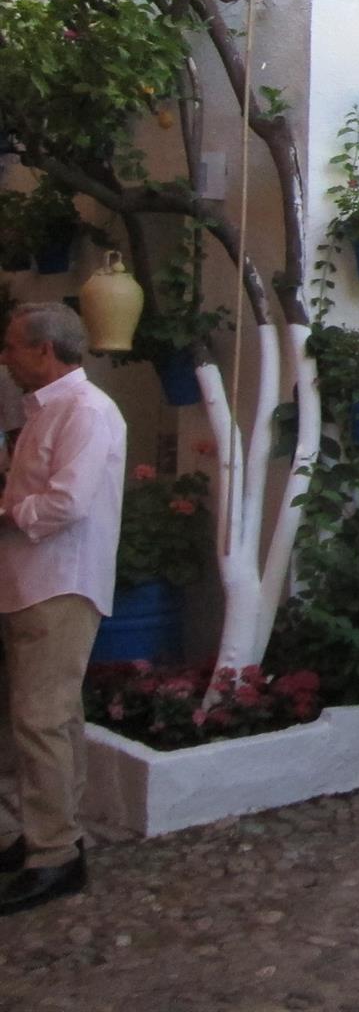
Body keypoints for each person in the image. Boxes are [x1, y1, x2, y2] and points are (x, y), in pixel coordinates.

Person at [0, 302, 125, 915]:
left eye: (13, 347)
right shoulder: (49, 411)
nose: (6, 358)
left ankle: (54, 855)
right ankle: (47, 836)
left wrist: (5, 511)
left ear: (45, 350)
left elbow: (66, 503)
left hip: (61, 582)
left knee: (41, 718)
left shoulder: (86, 410)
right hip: (34, 581)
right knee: (49, 718)